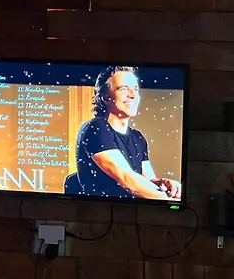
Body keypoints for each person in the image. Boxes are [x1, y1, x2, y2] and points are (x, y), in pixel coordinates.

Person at [75, 66, 181, 200]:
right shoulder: (95, 128)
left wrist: (163, 183)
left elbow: (148, 179)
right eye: (123, 89)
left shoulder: (138, 137)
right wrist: (172, 201)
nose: (133, 95)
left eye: (135, 89)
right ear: (105, 97)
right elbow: (128, 180)